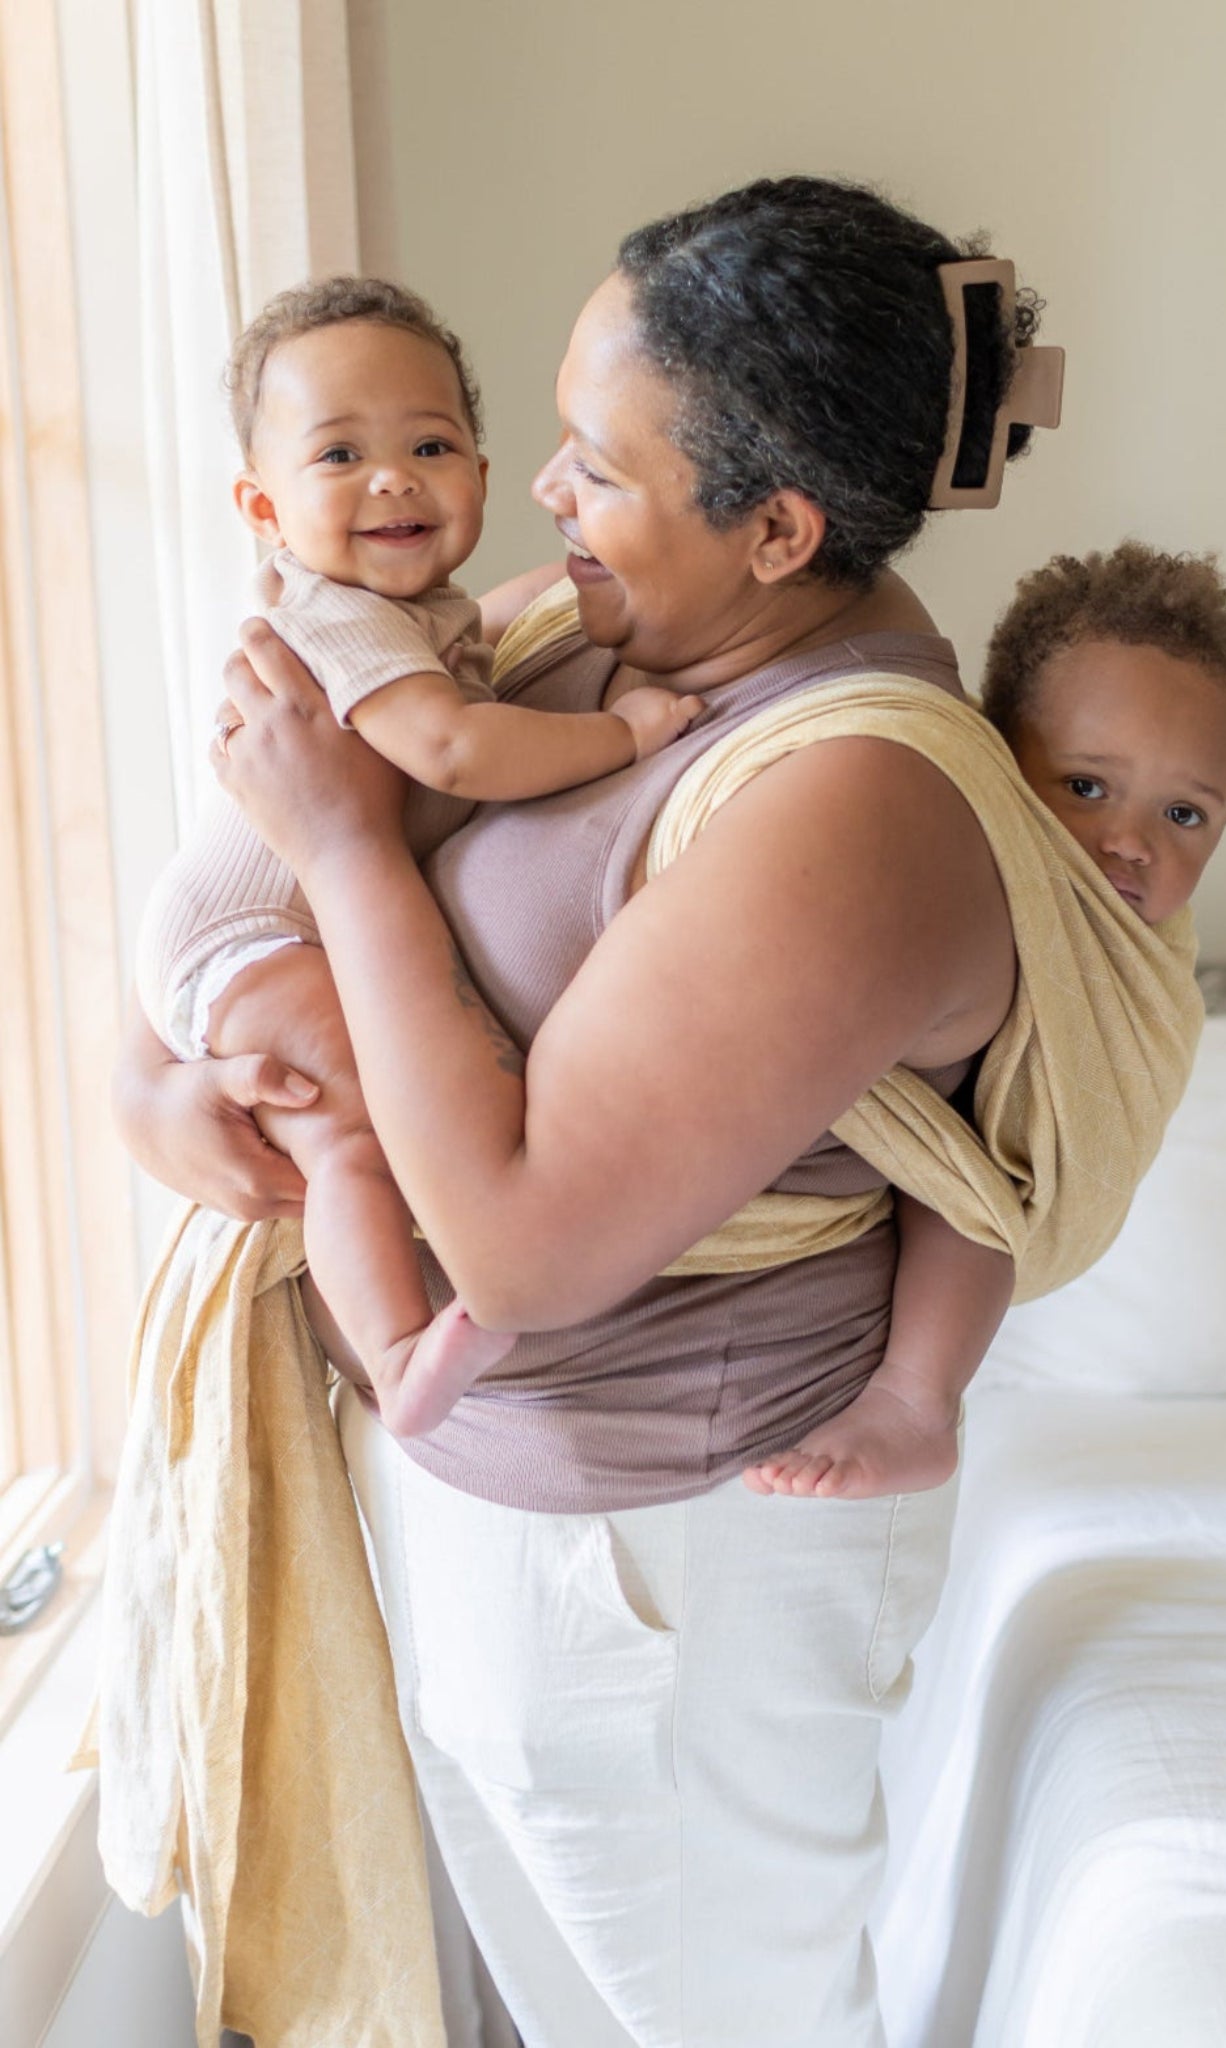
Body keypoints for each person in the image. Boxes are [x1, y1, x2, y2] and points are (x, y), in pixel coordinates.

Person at [117, 175, 1071, 2046]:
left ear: (778, 527)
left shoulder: (850, 797)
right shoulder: (591, 633)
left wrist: (336, 846)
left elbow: (522, 1247)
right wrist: (172, 1088)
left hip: (681, 1557)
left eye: (591, 462)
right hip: (503, 1519)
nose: (540, 497)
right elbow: (254, 890)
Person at [135, 277, 700, 1438]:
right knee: (353, 1119)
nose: (391, 478)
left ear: (481, 478)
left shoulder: (442, 616)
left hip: (268, 932)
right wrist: (623, 734)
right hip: (244, 936)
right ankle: (394, 1352)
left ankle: (390, 1336)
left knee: (356, 1115)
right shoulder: (334, 614)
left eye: (429, 444)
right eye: (338, 455)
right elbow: (448, 746)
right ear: (262, 504)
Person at [747, 539, 1226, 1500]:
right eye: (1084, 788)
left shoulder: (1134, 952)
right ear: (992, 757)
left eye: (1183, 816)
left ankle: (917, 1401)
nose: (1128, 842)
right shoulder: (965, 849)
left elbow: (1066, 1128)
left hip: (995, 1170)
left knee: (972, 1193)